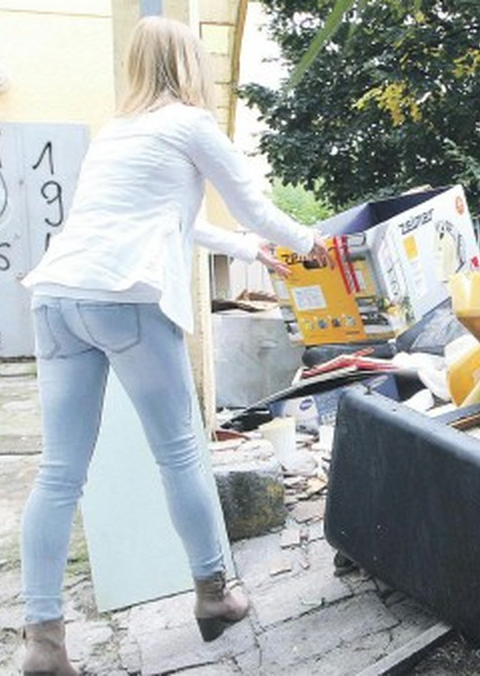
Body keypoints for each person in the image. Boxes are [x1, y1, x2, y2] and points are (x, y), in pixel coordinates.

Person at [17, 16, 325, 675]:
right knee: (181, 452)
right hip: (127, 299)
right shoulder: (188, 124)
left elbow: (179, 220)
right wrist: (308, 244)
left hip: (57, 297)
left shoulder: (116, 134)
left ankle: (42, 638)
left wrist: (249, 252)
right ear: (191, 65)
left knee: (60, 472)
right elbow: (255, 207)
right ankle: (215, 593)